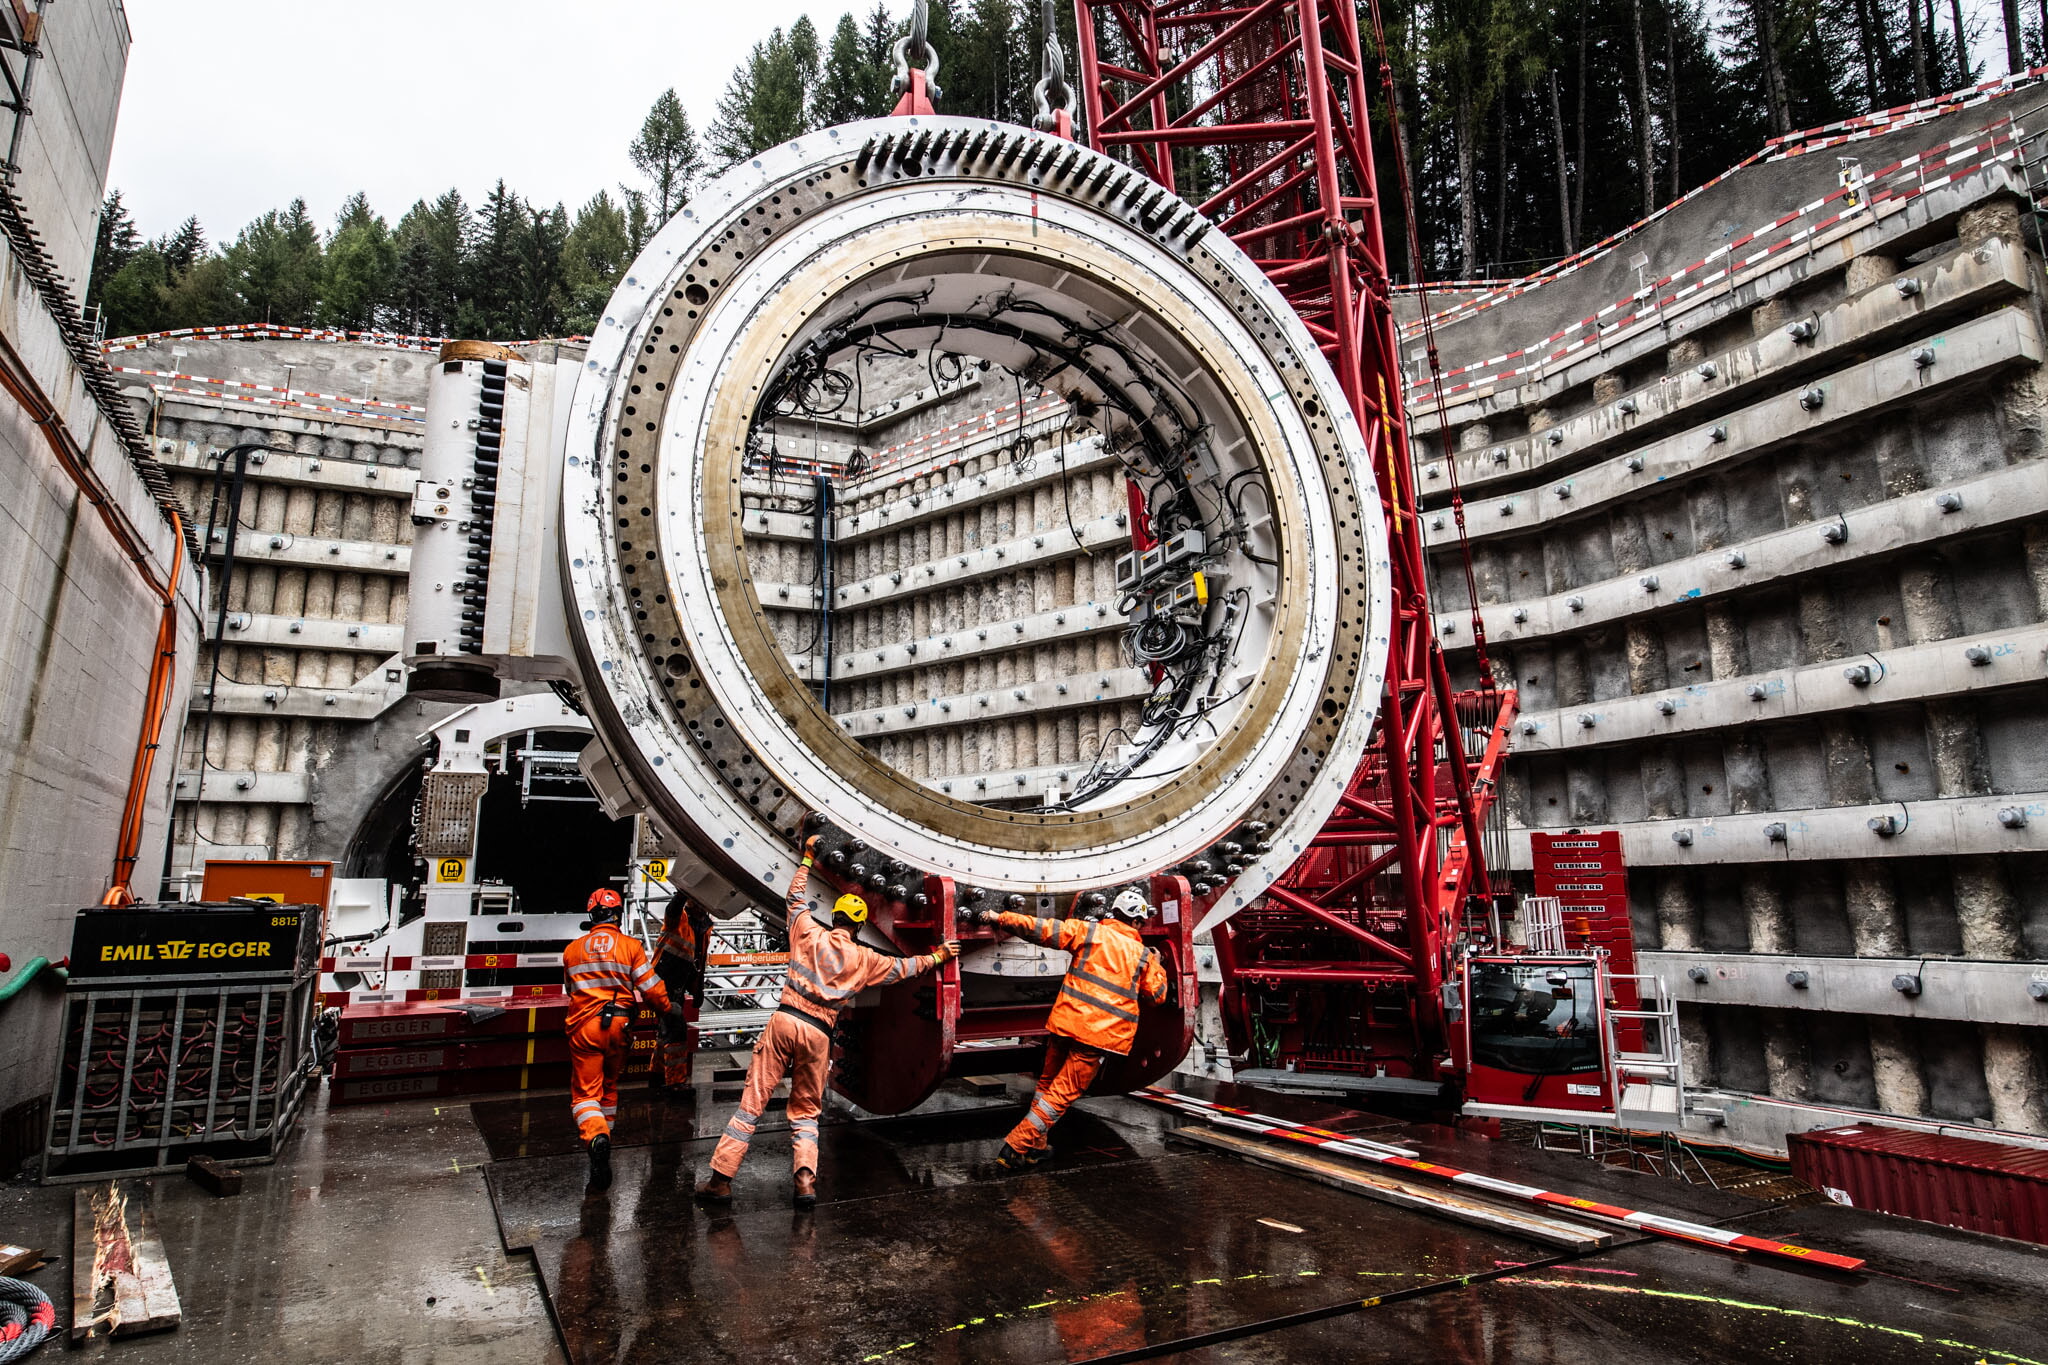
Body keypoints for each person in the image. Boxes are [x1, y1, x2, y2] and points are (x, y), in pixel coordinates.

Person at [696, 835, 959, 1209]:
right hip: (819, 1033)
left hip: (786, 1020)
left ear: (834, 917)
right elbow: (905, 968)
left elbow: (794, 899)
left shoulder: (807, 933)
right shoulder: (865, 959)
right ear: (858, 924)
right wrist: (940, 956)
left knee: (751, 1104)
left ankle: (720, 1181)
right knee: (805, 1112)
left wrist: (806, 859)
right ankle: (805, 1183)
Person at [965, 888, 1169, 1171]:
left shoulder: (1089, 933)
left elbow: (1041, 929)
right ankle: (1016, 1145)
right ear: (1137, 922)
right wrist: (1158, 966)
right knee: (1061, 1095)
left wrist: (1001, 917)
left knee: (1047, 1086)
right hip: (1099, 1037)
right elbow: (1157, 995)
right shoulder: (1143, 956)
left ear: (1115, 913)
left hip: (1066, 1024)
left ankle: (1036, 1147)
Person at [563, 888, 684, 1192]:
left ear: (592, 916)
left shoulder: (572, 950)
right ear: (617, 914)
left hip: (584, 1027)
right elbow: (651, 987)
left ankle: (596, 1138)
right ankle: (606, 1138)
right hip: (620, 1025)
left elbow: (570, 990)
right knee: (610, 1086)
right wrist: (669, 1010)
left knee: (584, 1096)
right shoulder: (630, 946)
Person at [650, 890, 710, 1095]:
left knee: (666, 1031)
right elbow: (672, 909)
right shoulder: (679, 918)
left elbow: (699, 961)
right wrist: (682, 892)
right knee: (677, 1031)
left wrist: (698, 990)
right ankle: (675, 1083)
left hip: (677, 986)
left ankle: (656, 1076)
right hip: (661, 984)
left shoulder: (705, 927)